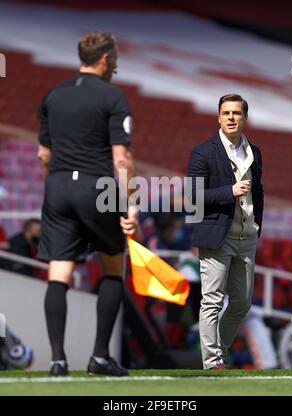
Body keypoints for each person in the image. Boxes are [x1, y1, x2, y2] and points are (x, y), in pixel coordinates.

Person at [37, 31, 138, 376]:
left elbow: (43, 153)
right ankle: (98, 357)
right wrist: (129, 206)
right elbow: (121, 160)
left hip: (58, 186)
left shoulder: (53, 94)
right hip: (96, 187)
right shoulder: (113, 96)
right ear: (106, 58)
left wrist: (54, 187)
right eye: (116, 60)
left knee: (58, 273)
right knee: (113, 267)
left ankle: (57, 361)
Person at [188, 94, 264, 370]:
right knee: (212, 300)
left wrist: (258, 226)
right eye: (226, 113)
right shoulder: (203, 152)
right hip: (217, 237)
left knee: (242, 304)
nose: (231, 117)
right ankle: (213, 362)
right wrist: (229, 192)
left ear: (245, 117)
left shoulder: (255, 152)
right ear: (218, 117)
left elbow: (258, 192)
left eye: (236, 113)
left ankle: (217, 350)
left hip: (246, 238)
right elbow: (192, 197)